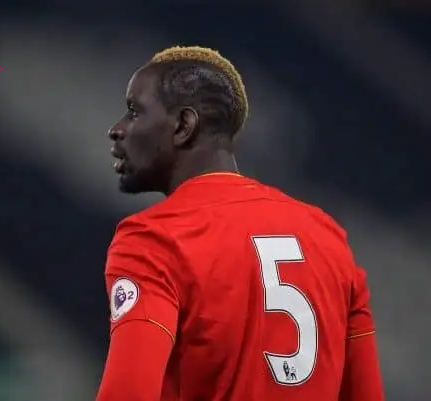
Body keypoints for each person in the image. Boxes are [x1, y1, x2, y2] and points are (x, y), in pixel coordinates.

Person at [96, 46, 384, 401]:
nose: (117, 129)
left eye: (134, 111)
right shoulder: (327, 235)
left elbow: (128, 394)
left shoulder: (154, 239)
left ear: (184, 126)